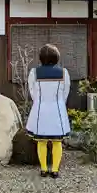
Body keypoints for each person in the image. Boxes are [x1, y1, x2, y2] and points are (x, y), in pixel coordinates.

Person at [26, 44, 71, 178]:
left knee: (41, 141)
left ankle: (44, 169)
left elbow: (32, 91)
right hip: (57, 109)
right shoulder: (64, 72)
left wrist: (39, 101)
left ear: (40, 58)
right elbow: (66, 92)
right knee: (57, 142)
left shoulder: (34, 72)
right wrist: (59, 103)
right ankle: (55, 170)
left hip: (40, 109)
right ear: (57, 57)